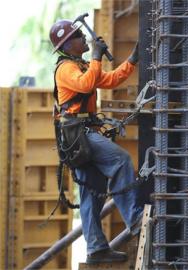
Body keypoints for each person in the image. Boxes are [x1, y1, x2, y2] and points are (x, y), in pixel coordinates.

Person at [49, 19, 143, 264]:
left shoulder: (80, 65)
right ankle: (136, 220)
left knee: (93, 191)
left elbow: (109, 80)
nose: (84, 38)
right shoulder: (66, 69)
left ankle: (96, 248)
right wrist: (97, 56)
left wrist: (132, 60)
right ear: (69, 45)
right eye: (79, 36)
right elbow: (87, 83)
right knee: (121, 160)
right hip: (78, 133)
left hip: (81, 133)